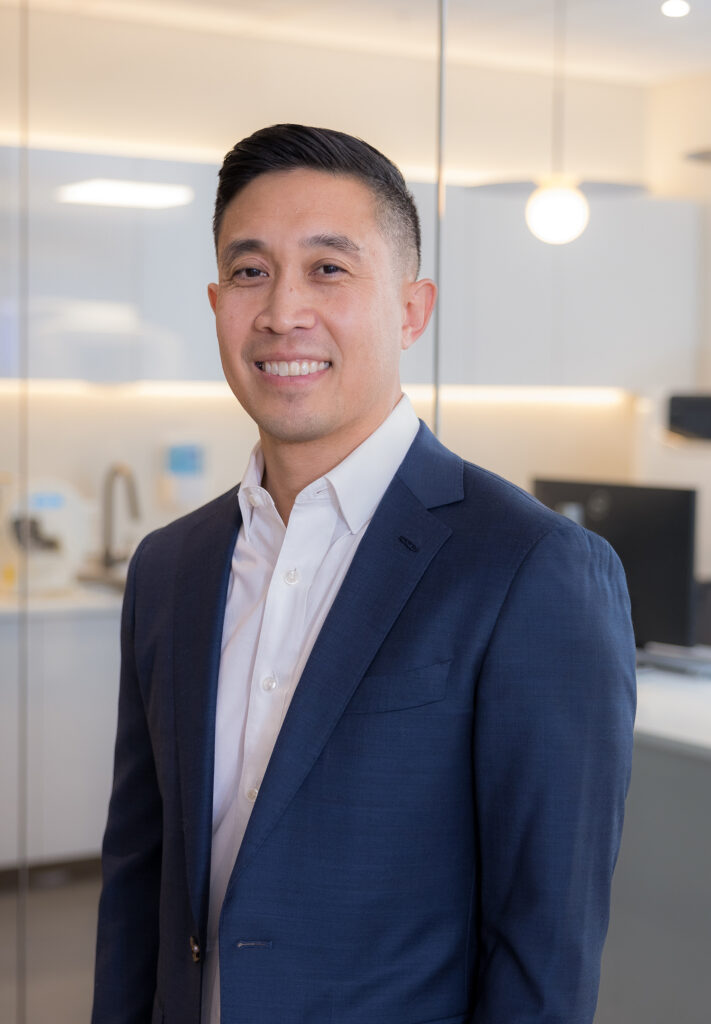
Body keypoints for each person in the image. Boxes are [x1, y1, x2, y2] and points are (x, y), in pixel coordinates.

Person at [91, 124, 636, 1024]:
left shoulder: (531, 567)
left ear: (412, 311)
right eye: (250, 271)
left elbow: (544, 941)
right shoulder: (170, 567)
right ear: (216, 302)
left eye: (328, 269)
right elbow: (136, 882)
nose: (282, 312)